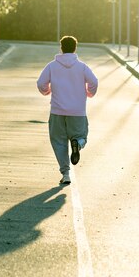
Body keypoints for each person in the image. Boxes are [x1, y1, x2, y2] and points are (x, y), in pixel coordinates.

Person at [37, 36, 98, 185]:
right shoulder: (82, 67)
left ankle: (66, 174)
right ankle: (78, 143)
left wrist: (47, 91)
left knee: (58, 142)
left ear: (61, 48)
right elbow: (94, 82)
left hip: (57, 111)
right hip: (77, 111)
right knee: (82, 135)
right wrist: (89, 93)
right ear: (75, 48)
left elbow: (41, 83)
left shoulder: (51, 66)